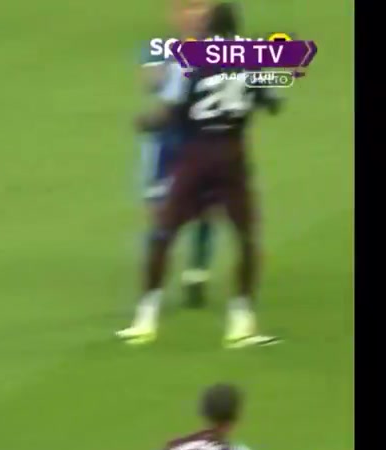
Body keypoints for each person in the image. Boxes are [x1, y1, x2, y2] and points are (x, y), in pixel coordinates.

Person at [118, 2, 281, 348]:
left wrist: (147, 123)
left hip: (194, 154)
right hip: (233, 156)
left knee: (164, 231)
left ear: (209, 28)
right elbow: (271, 103)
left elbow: (173, 108)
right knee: (246, 237)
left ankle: (145, 319)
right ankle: (241, 322)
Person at [141, 0, 217, 308]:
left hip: (204, 140)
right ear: (174, 14)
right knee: (159, 209)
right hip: (166, 144)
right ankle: (154, 280)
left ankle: (196, 272)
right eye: (187, 8)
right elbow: (153, 85)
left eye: (200, 8)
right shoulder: (160, 49)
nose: (194, 15)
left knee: (205, 206)